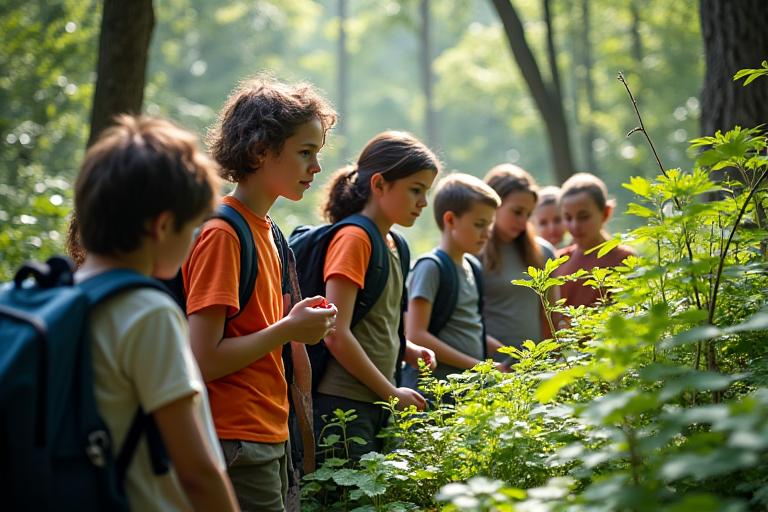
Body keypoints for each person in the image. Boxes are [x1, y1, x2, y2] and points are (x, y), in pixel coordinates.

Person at [182, 75, 338, 511]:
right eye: (305, 152)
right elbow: (203, 358)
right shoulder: (223, 234)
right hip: (235, 439)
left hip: (267, 434)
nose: (316, 167)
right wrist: (288, 329)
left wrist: (295, 323)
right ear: (260, 151)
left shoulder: (268, 231)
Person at [74, 115, 239, 511]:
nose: (196, 239)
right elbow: (197, 472)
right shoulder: (148, 313)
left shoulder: (64, 296)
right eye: (194, 227)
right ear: (163, 226)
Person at [314, 131, 439, 461]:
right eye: (415, 190)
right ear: (380, 184)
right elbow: (335, 332)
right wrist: (392, 393)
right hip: (343, 406)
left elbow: (373, 323)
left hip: (377, 402)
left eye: (426, 192)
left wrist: (407, 350)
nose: (423, 203)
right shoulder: (355, 239)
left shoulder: (396, 244)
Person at [405, 173, 504, 381]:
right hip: (436, 387)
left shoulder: (473, 267)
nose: (487, 233)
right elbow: (416, 335)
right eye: (479, 224)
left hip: (469, 388)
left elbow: (469, 329)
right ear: (450, 220)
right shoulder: (431, 267)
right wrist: (480, 366)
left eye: (489, 225)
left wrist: (510, 354)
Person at [481, 164, 556, 355]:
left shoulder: (544, 252)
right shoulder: (473, 253)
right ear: (493, 206)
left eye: (528, 214)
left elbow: (553, 316)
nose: (523, 221)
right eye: (517, 212)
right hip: (487, 366)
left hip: (536, 365)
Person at [554, 172, 635, 308]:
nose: (574, 226)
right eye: (568, 218)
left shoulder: (624, 259)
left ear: (606, 213)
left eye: (583, 217)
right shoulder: (558, 260)